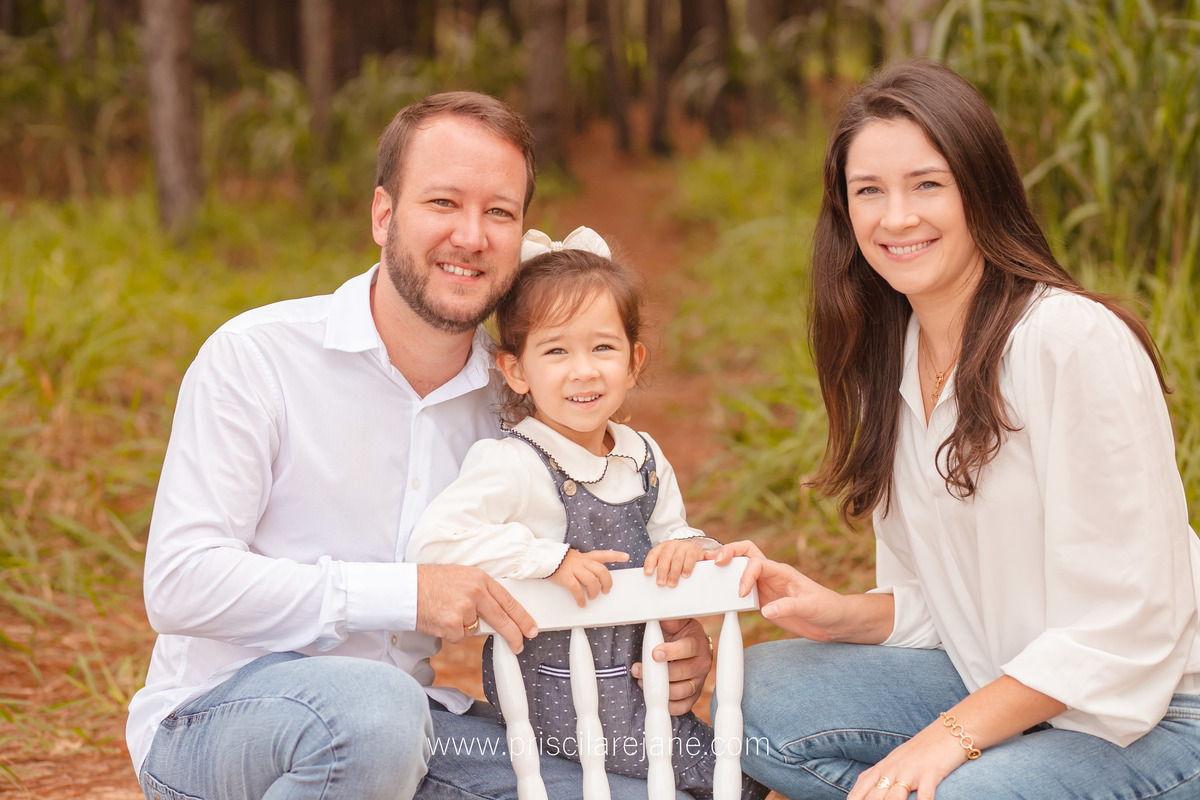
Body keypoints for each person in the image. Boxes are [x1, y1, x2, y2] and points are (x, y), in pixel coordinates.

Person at [127, 91, 714, 800]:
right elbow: (180, 585)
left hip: (423, 732)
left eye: (499, 212)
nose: (471, 235)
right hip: (219, 723)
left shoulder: (523, 416)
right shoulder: (259, 359)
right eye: (443, 203)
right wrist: (408, 594)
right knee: (374, 715)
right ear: (383, 215)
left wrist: (665, 641)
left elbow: (570, 565)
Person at [707, 59, 1200, 800]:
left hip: (1156, 716)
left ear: (982, 189)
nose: (895, 217)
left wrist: (947, 741)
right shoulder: (895, 357)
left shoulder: (1071, 341)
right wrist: (836, 611)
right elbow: (950, 604)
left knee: (958, 790)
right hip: (1000, 682)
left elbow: (1125, 625)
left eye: (927, 184)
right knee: (756, 696)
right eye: (868, 191)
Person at [407, 231, 768, 800]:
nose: (584, 371)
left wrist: (689, 549)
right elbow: (432, 546)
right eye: (556, 351)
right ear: (515, 370)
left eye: (603, 348)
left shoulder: (642, 455)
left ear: (633, 362)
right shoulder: (512, 462)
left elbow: (676, 530)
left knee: (743, 774)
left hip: (636, 688)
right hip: (558, 703)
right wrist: (545, 560)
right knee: (707, 781)